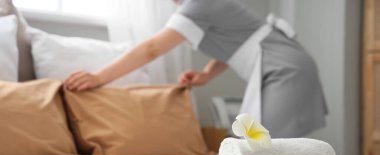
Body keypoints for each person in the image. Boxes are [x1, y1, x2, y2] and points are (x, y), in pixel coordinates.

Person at [63, 0, 327, 138]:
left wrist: (99, 77)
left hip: (285, 68)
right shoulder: (205, 5)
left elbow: (152, 49)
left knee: (260, 144)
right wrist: (207, 74)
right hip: (286, 63)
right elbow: (239, 46)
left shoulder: (199, 4)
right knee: (256, 140)